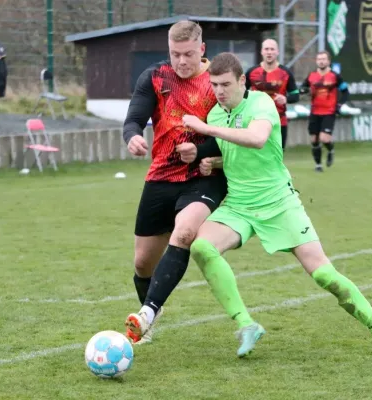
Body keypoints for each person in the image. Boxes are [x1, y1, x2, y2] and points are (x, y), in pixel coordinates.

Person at [175, 52, 372, 358]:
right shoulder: (216, 114)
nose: (220, 91)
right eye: (214, 85)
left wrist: (205, 129)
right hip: (240, 205)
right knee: (201, 247)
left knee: (323, 274)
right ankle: (245, 324)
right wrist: (211, 162)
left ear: (242, 81)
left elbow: (256, 139)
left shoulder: (261, 103)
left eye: (226, 84)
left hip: (279, 202)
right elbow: (236, 156)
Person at [122, 21, 228, 344]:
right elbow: (133, 119)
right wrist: (133, 137)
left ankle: (146, 314)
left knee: (183, 232)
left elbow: (234, 135)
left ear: (202, 50)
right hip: (162, 175)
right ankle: (150, 310)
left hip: (205, 177)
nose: (181, 61)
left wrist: (202, 151)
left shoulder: (218, 82)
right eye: (175, 54)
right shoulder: (154, 77)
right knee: (142, 263)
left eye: (188, 54)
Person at [245, 39, 300, 150]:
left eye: (272, 49)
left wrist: (286, 99)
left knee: (278, 155)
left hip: (279, 121)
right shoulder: (251, 72)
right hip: (257, 119)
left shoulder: (286, 73)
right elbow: (241, 94)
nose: (269, 52)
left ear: (277, 52)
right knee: (258, 153)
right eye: (266, 49)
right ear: (262, 51)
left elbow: (296, 95)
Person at [300, 51, 349, 172]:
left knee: (324, 138)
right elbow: (302, 88)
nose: (321, 61)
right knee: (314, 140)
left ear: (328, 61)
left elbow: (345, 91)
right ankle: (318, 165)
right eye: (319, 59)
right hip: (315, 111)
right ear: (316, 61)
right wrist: (303, 91)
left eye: (324, 59)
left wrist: (340, 105)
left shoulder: (335, 76)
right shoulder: (311, 76)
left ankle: (331, 149)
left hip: (329, 111)